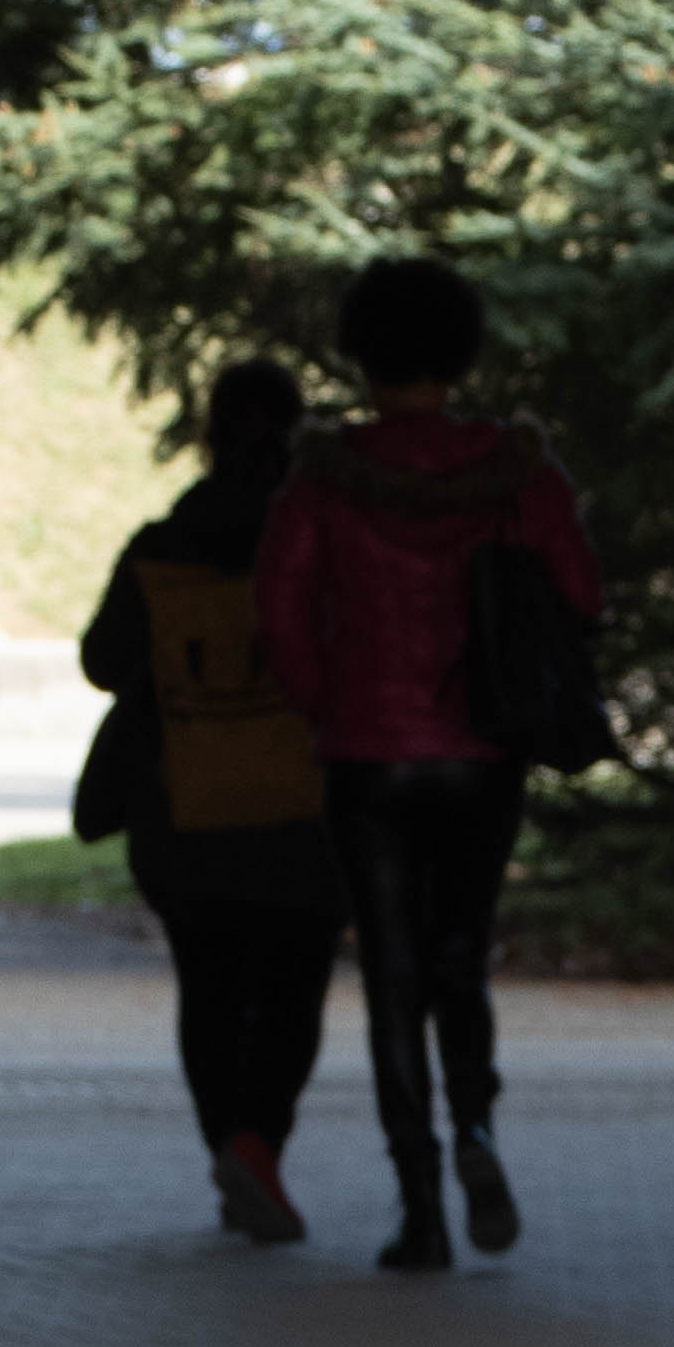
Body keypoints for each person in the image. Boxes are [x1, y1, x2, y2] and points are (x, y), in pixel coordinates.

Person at [253, 257, 598, 1276]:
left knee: (393, 976)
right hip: (484, 749)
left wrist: (326, 699)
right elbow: (578, 591)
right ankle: (479, 1135)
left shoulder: (322, 477)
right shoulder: (518, 471)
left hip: (365, 752)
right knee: (462, 958)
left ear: (360, 354)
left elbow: (277, 607)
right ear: (460, 349)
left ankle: (420, 1207)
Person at [82, 357, 345, 1245]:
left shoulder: (162, 542)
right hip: (302, 813)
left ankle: (230, 1148)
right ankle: (256, 1141)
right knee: (291, 990)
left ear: (208, 433)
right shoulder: (322, 543)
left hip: (181, 813)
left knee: (210, 988)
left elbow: (103, 660)